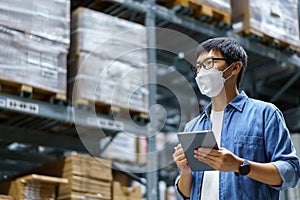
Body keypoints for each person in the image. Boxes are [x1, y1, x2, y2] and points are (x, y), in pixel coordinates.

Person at [172, 37, 300, 200]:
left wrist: (240, 166)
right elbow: (186, 194)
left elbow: (290, 172)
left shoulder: (264, 114)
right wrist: (185, 171)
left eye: (209, 63)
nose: (202, 72)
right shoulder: (193, 127)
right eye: (198, 67)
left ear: (235, 67)